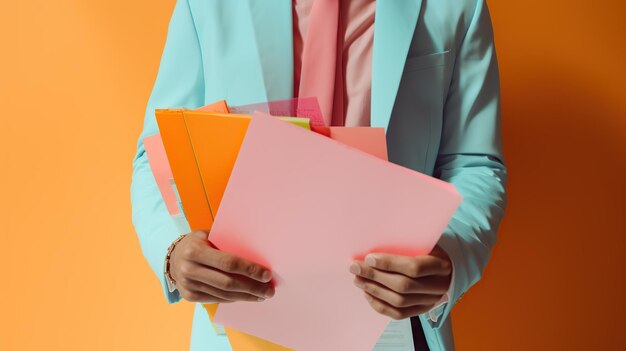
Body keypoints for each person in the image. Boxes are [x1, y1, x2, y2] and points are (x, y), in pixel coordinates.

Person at [131, 0, 507, 350]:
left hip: (392, 321)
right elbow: (157, 150)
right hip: (244, 322)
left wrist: (452, 259)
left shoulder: (458, 5)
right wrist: (173, 250)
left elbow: (474, 163)